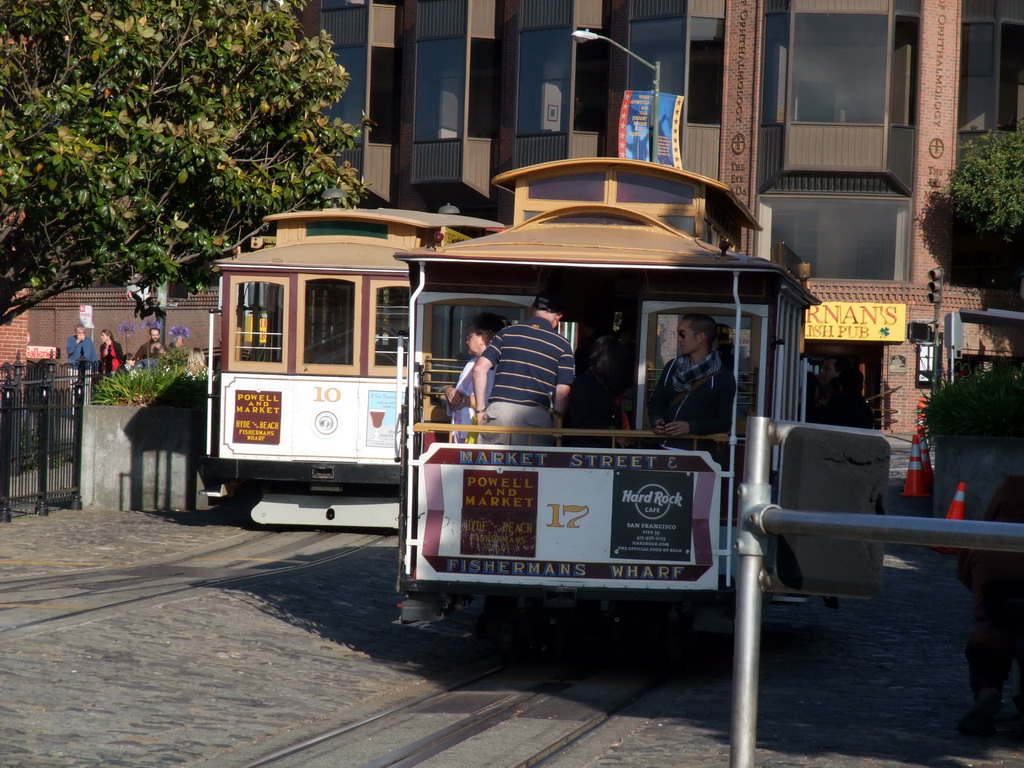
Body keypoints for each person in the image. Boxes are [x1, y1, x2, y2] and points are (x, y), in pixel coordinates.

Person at [956, 476, 1024, 736]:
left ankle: (988, 693)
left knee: (984, 660)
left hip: (991, 632)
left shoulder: (982, 537)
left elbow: (964, 576)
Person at [472, 291, 575, 446]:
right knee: (530, 468)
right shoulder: (562, 345)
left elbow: (478, 369)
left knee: (491, 468)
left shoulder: (506, 333)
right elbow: (562, 392)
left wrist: (480, 411)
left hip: (499, 413)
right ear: (558, 317)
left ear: (532, 308)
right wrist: (556, 425)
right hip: (536, 419)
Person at [649, 313, 736, 448]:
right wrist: (656, 420)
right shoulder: (672, 366)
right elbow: (657, 401)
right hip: (664, 446)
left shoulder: (723, 376)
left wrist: (691, 427)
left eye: (683, 334)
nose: (679, 339)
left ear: (700, 336)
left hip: (700, 452)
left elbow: (724, 421)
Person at [564, 335, 633, 447]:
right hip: (587, 449)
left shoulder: (605, 384)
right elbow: (579, 422)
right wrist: (613, 436)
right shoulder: (585, 384)